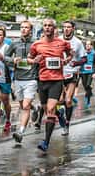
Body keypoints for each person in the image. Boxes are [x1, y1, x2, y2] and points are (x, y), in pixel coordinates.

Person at [28, 18, 71, 152]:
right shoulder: (37, 44)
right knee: (46, 109)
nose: (47, 28)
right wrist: (34, 60)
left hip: (57, 80)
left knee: (50, 110)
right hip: (42, 80)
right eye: (45, 26)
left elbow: (70, 55)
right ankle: (61, 117)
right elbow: (29, 58)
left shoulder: (62, 43)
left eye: (50, 26)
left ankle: (46, 142)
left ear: (54, 28)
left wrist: (66, 60)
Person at [5, 20, 38, 143]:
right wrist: (12, 60)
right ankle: (34, 108)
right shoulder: (15, 43)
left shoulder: (36, 44)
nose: (23, 29)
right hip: (18, 79)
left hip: (31, 79)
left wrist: (35, 60)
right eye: (22, 27)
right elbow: (6, 57)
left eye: (26, 28)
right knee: (22, 105)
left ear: (31, 30)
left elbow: (41, 58)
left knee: (25, 106)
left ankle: (21, 131)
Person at [59, 21, 86, 136]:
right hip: (59, 73)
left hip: (72, 74)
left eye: (68, 27)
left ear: (73, 28)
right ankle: (61, 116)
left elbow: (84, 59)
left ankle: (67, 125)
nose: (66, 29)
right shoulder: (58, 40)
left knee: (68, 100)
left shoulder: (78, 42)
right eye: (64, 27)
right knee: (59, 101)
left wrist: (76, 63)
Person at [80, 40, 95, 109]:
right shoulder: (83, 53)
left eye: (89, 44)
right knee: (85, 87)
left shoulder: (94, 53)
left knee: (88, 84)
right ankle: (89, 91)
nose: (88, 46)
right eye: (86, 45)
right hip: (83, 72)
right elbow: (79, 61)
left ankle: (88, 100)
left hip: (90, 72)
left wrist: (94, 72)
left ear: (92, 46)